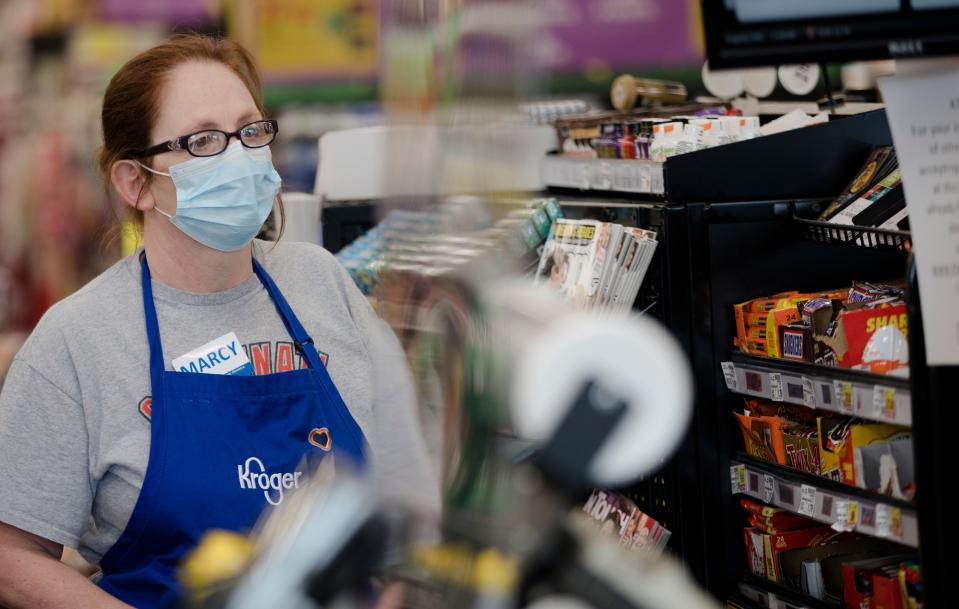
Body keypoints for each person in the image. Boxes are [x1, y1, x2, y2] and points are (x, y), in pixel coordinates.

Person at [0, 34, 437, 609]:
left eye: (251, 131)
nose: (240, 157)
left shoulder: (321, 283)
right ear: (136, 182)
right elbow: (12, 556)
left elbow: (413, 483)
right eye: (204, 140)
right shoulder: (78, 340)